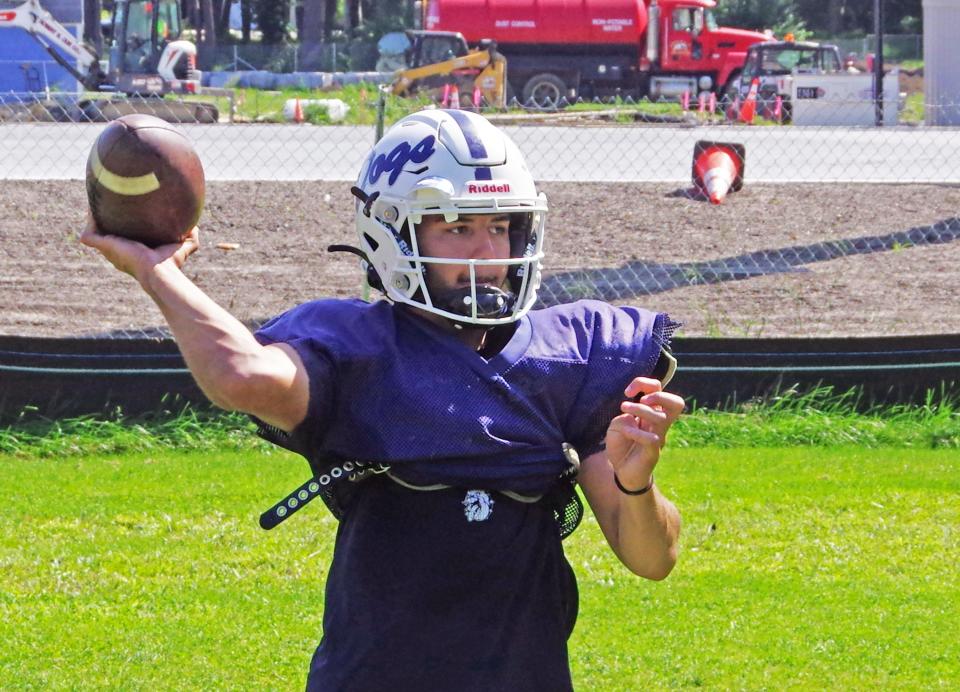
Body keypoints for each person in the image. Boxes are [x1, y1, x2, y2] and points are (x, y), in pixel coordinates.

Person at [81, 108, 684, 690]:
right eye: (457, 228)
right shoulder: (357, 349)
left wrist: (637, 483)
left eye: (499, 226)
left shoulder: (569, 356)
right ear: (392, 232)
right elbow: (239, 375)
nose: (488, 253)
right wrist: (161, 274)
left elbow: (653, 559)